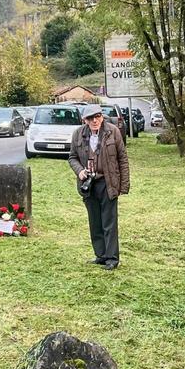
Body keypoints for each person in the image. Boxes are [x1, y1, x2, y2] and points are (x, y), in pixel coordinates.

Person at [68, 103, 130, 270]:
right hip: (88, 184)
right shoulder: (78, 134)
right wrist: (80, 171)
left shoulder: (113, 131)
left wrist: (123, 186)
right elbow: (72, 157)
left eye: (97, 116)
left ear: (102, 116)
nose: (95, 120)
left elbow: (122, 159)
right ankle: (100, 255)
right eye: (90, 118)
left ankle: (112, 259)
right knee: (95, 221)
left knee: (109, 222)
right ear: (85, 120)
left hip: (108, 182)